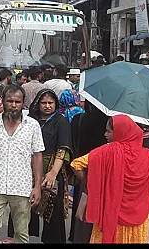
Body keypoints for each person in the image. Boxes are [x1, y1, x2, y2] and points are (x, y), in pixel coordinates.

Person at [70, 115, 149, 243]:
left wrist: (93, 182)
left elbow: (76, 165)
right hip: (140, 218)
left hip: (111, 214)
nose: (105, 134)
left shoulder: (107, 151)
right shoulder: (148, 156)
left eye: (108, 131)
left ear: (120, 132)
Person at [0, 84, 44, 244]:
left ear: (23, 103)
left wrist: (37, 186)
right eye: (10, 101)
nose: (13, 105)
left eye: (17, 101)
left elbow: (37, 156)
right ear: (3, 101)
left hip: (22, 187)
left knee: (21, 232)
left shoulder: (32, 126)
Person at [27, 89, 73, 243]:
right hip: (29, 168)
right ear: (38, 104)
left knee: (52, 210)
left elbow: (63, 148)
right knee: (25, 206)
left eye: (50, 103)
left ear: (55, 104)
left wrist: (53, 172)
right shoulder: (30, 120)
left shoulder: (61, 121)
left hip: (53, 167)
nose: (47, 106)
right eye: (44, 103)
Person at [68, 100, 108, 243]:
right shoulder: (110, 122)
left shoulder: (79, 119)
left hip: (83, 168)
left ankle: (77, 236)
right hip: (103, 169)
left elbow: (73, 142)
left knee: (82, 204)